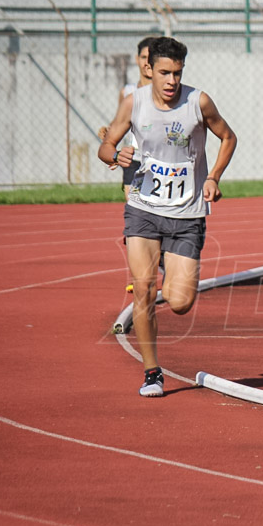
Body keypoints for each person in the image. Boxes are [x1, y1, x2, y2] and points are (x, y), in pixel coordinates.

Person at [98, 37, 237, 397]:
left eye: (177, 72)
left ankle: (168, 266)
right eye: (164, 72)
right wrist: (116, 156)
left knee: (180, 302)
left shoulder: (198, 102)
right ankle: (152, 373)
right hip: (143, 208)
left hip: (187, 213)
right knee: (143, 291)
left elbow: (228, 137)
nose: (172, 80)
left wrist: (213, 177)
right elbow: (106, 145)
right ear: (150, 70)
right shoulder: (135, 103)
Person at [98, 36, 156, 196]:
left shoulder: (166, 92)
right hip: (133, 158)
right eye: (144, 57)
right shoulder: (127, 92)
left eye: (151, 57)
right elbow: (120, 120)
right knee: (133, 207)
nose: (147, 62)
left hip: (158, 159)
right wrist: (109, 132)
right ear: (137, 59)